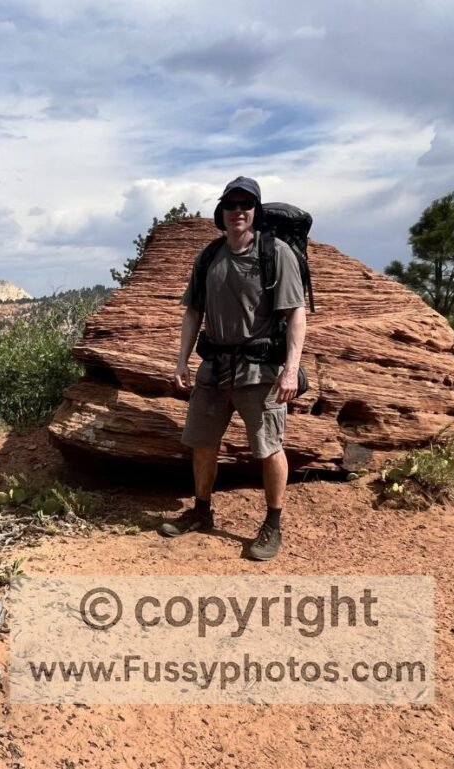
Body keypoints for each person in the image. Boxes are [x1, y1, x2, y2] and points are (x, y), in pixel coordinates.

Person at [158, 176, 306, 560]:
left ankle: (273, 524)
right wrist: (182, 360)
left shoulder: (276, 254)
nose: (238, 211)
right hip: (214, 368)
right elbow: (193, 311)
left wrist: (291, 370)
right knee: (202, 443)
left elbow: (296, 314)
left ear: (255, 211)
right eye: (231, 205)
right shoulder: (209, 257)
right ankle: (202, 511)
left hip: (260, 371)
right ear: (220, 213)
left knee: (269, 448)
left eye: (246, 205)